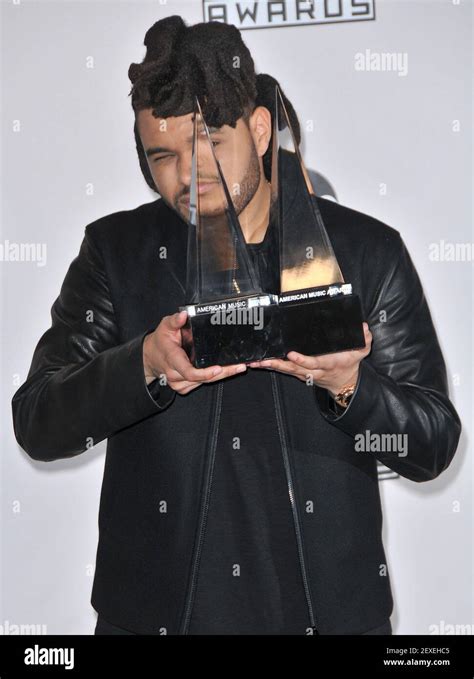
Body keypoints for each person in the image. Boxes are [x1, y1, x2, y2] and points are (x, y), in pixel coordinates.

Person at [11, 15, 461, 636]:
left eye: (208, 143)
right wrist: (142, 364)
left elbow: (430, 443)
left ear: (257, 127)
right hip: (155, 621)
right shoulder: (116, 253)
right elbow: (39, 420)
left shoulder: (365, 252)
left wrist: (348, 389)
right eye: (162, 156)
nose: (187, 174)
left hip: (330, 621)